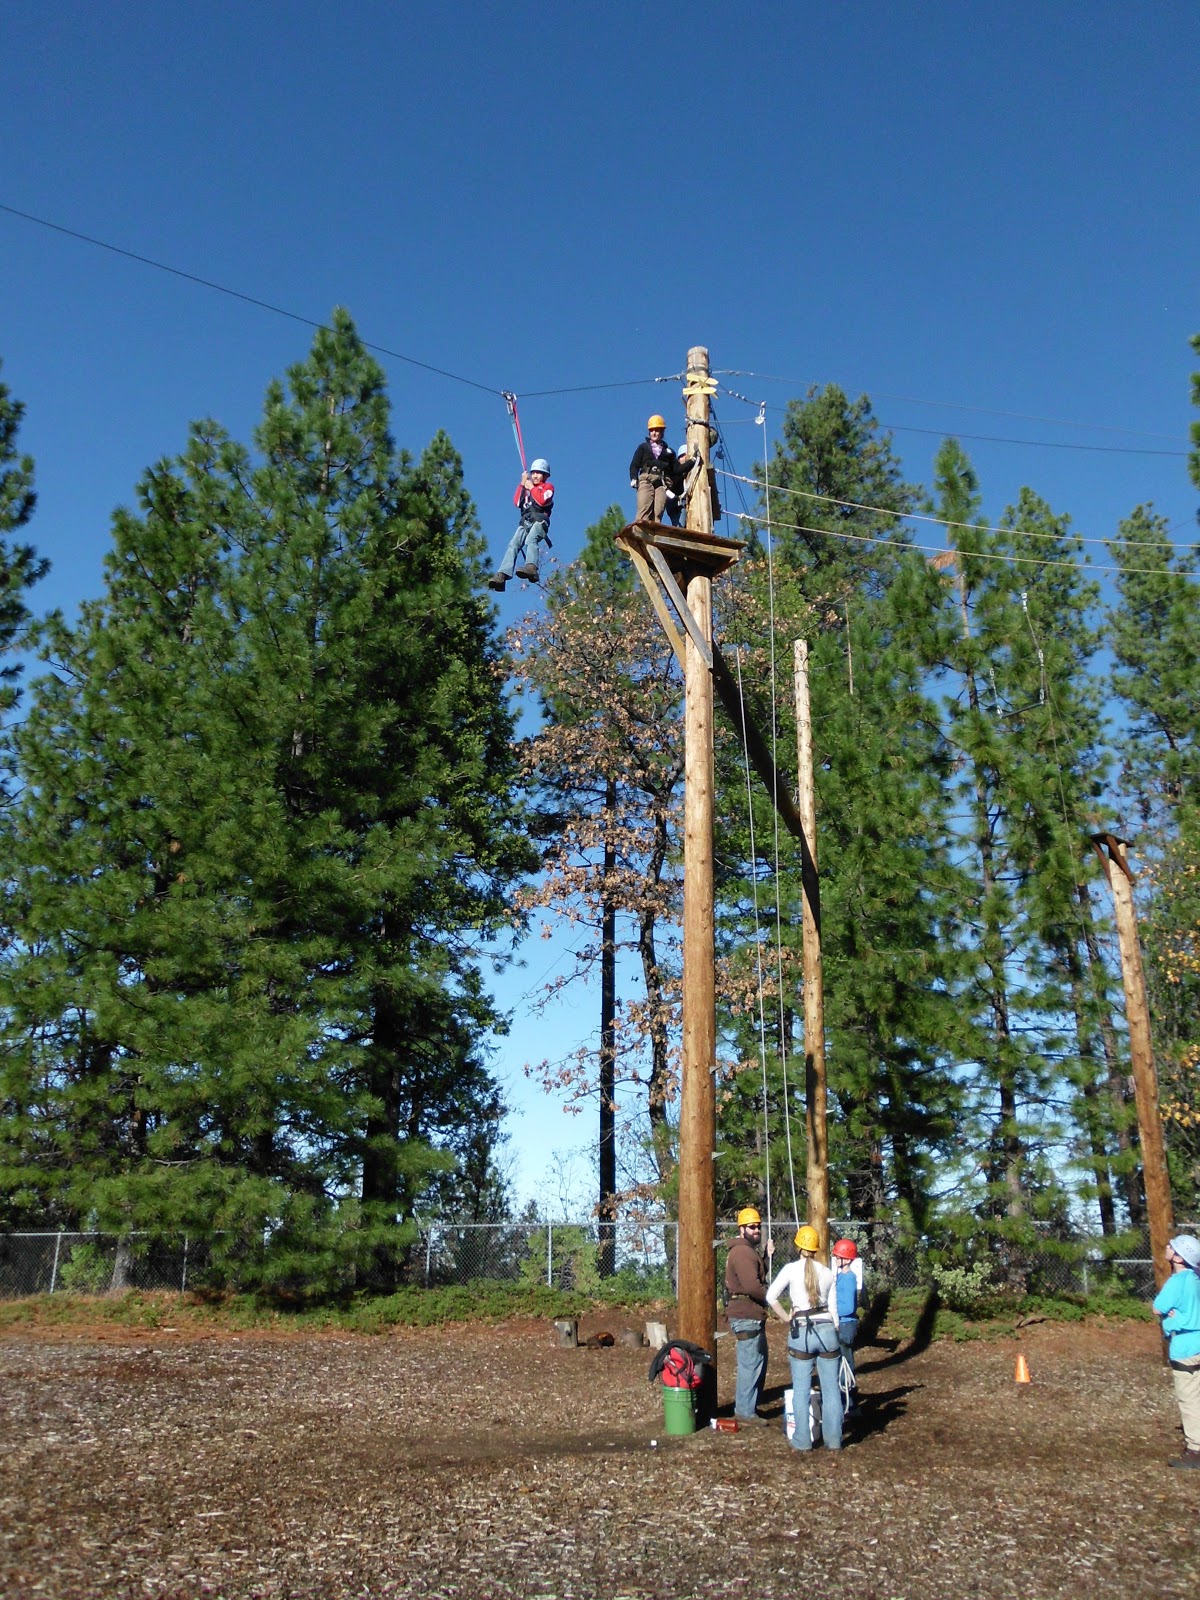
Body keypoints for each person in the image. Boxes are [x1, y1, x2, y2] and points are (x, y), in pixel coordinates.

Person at [766, 1224, 843, 1452]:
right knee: (831, 1389)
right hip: (827, 1330)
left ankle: (802, 1440)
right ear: (816, 1249)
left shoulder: (790, 1270)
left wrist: (786, 1318)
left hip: (802, 1330)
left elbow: (771, 1296)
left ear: (798, 1246)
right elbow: (835, 1314)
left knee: (801, 1389)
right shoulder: (828, 1274)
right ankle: (834, 1440)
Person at [1152, 1233, 1200, 1469]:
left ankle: (1195, 1451)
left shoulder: (1177, 1282)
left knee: (1190, 1399)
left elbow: (1157, 1308)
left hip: (1185, 1345)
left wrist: (1173, 1317)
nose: (1168, 1247)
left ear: (1179, 1258)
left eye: (1173, 1246)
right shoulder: (1198, 1279)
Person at [725, 1205, 769, 1424]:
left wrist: (767, 1258)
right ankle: (744, 1411)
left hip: (750, 1314)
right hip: (746, 1314)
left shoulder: (748, 1252)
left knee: (758, 1360)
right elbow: (752, 1286)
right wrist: (771, 1299)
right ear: (741, 1229)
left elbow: (756, 1276)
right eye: (752, 1227)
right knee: (750, 1363)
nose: (757, 1230)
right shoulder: (742, 1252)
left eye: (758, 1227)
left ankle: (748, 1407)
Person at [490, 459, 553, 590]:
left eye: (539, 473)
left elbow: (542, 501)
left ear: (546, 476)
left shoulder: (547, 488)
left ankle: (531, 567)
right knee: (513, 544)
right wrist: (522, 484)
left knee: (531, 539)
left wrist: (530, 487)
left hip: (540, 521)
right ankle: (502, 575)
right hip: (526, 522)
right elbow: (517, 502)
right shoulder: (527, 489)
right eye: (534, 472)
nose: (535, 475)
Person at [831, 1237, 865, 1405]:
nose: (836, 1259)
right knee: (841, 1361)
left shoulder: (849, 1278)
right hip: (842, 1323)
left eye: (838, 1257)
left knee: (844, 1362)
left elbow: (848, 1307)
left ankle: (848, 1401)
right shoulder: (840, 1276)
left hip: (845, 1324)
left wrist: (832, 1311)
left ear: (846, 1259)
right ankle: (845, 1399)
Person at [629, 416, 680, 525]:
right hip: (646, 479)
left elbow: (677, 470)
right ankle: (641, 532)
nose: (654, 433)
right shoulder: (644, 447)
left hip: (661, 483)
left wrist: (692, 461)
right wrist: (633, 478)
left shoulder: (668, 452)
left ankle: (653, 534)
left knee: (658, 511)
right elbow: (634, 465)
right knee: (645, 507)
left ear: (662, 432)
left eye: (657, 430)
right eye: (652, 430)